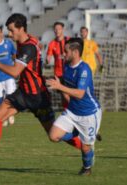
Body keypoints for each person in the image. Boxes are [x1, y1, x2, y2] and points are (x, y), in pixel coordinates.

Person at [0, 13, 81, 168]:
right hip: (23, 93)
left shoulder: (28, 48)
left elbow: (15, 72)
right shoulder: (25, 40)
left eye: (12, 30)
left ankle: (84, 144)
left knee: (54, 136)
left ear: (21, 29)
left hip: (38, 97)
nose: (9, 34)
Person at [46, 37, 102, 176]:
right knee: (53, 136)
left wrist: (59, 86)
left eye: (66, 51)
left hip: (89, 112)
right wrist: (59, 85)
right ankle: (77, 131)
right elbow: (67, 87)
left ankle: (87, 168)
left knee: (85, 148)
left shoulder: (84, 69)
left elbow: (80, 93)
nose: (63, 54)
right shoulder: (66, 66)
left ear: (75, 52)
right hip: (72, 111)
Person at [80, 26, 103, 142]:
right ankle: (89, 127)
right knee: (84, 98)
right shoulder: (78, 43)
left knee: (86, 97)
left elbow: (98, 54)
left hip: (89, 72)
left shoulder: (92, 43)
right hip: (81, 73)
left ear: (87, 33)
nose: (83, 33)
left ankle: (91, 128)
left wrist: (101, 64)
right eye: (82, 31)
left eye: (85, 31)